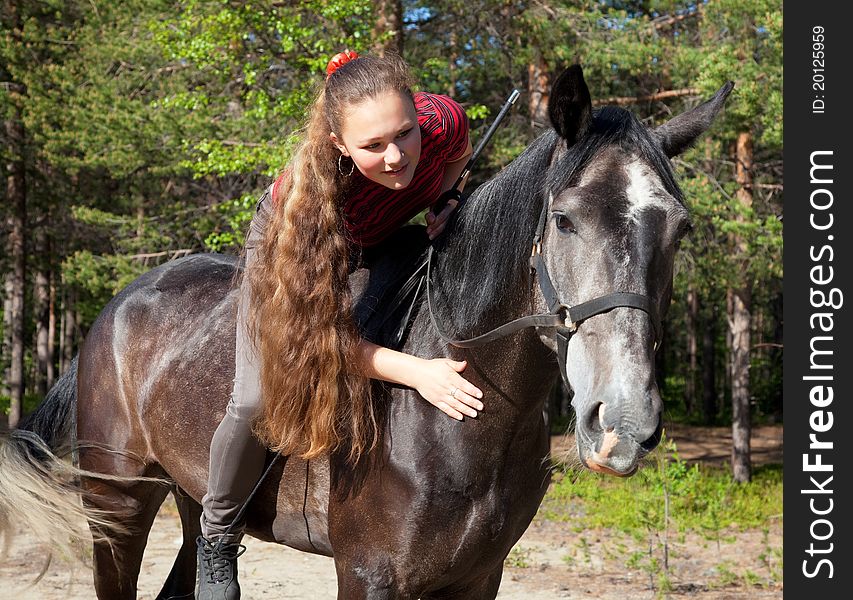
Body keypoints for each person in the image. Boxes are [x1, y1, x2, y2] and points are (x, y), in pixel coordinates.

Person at [195, 50, 485, 600]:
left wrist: (447, 197)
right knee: (254, 397)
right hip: (296, 248)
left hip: (381, 233)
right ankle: (216, 535)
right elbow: (312, 340)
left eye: (404, 134)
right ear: (338, 146)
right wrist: (417, 372)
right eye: (373, 146)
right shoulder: (310, 203)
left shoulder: (442, 121)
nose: (397, 157)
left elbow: (457, 151)